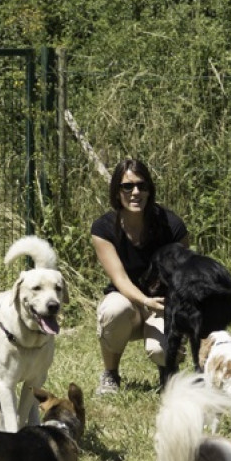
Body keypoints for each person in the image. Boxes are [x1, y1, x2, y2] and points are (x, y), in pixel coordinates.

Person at [89, 158, 190, 395]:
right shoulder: (103, 228)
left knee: (160, 351)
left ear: (149, 190)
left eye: (142, 186)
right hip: (128, 304)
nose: (136, 192)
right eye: (127, 186)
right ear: (117, 191)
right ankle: (110, 375)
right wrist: (145, 302)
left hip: (163, 305)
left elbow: (185, 275)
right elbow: (120, 279)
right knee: (113, 310)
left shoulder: (171, 225)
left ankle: (168, 373)